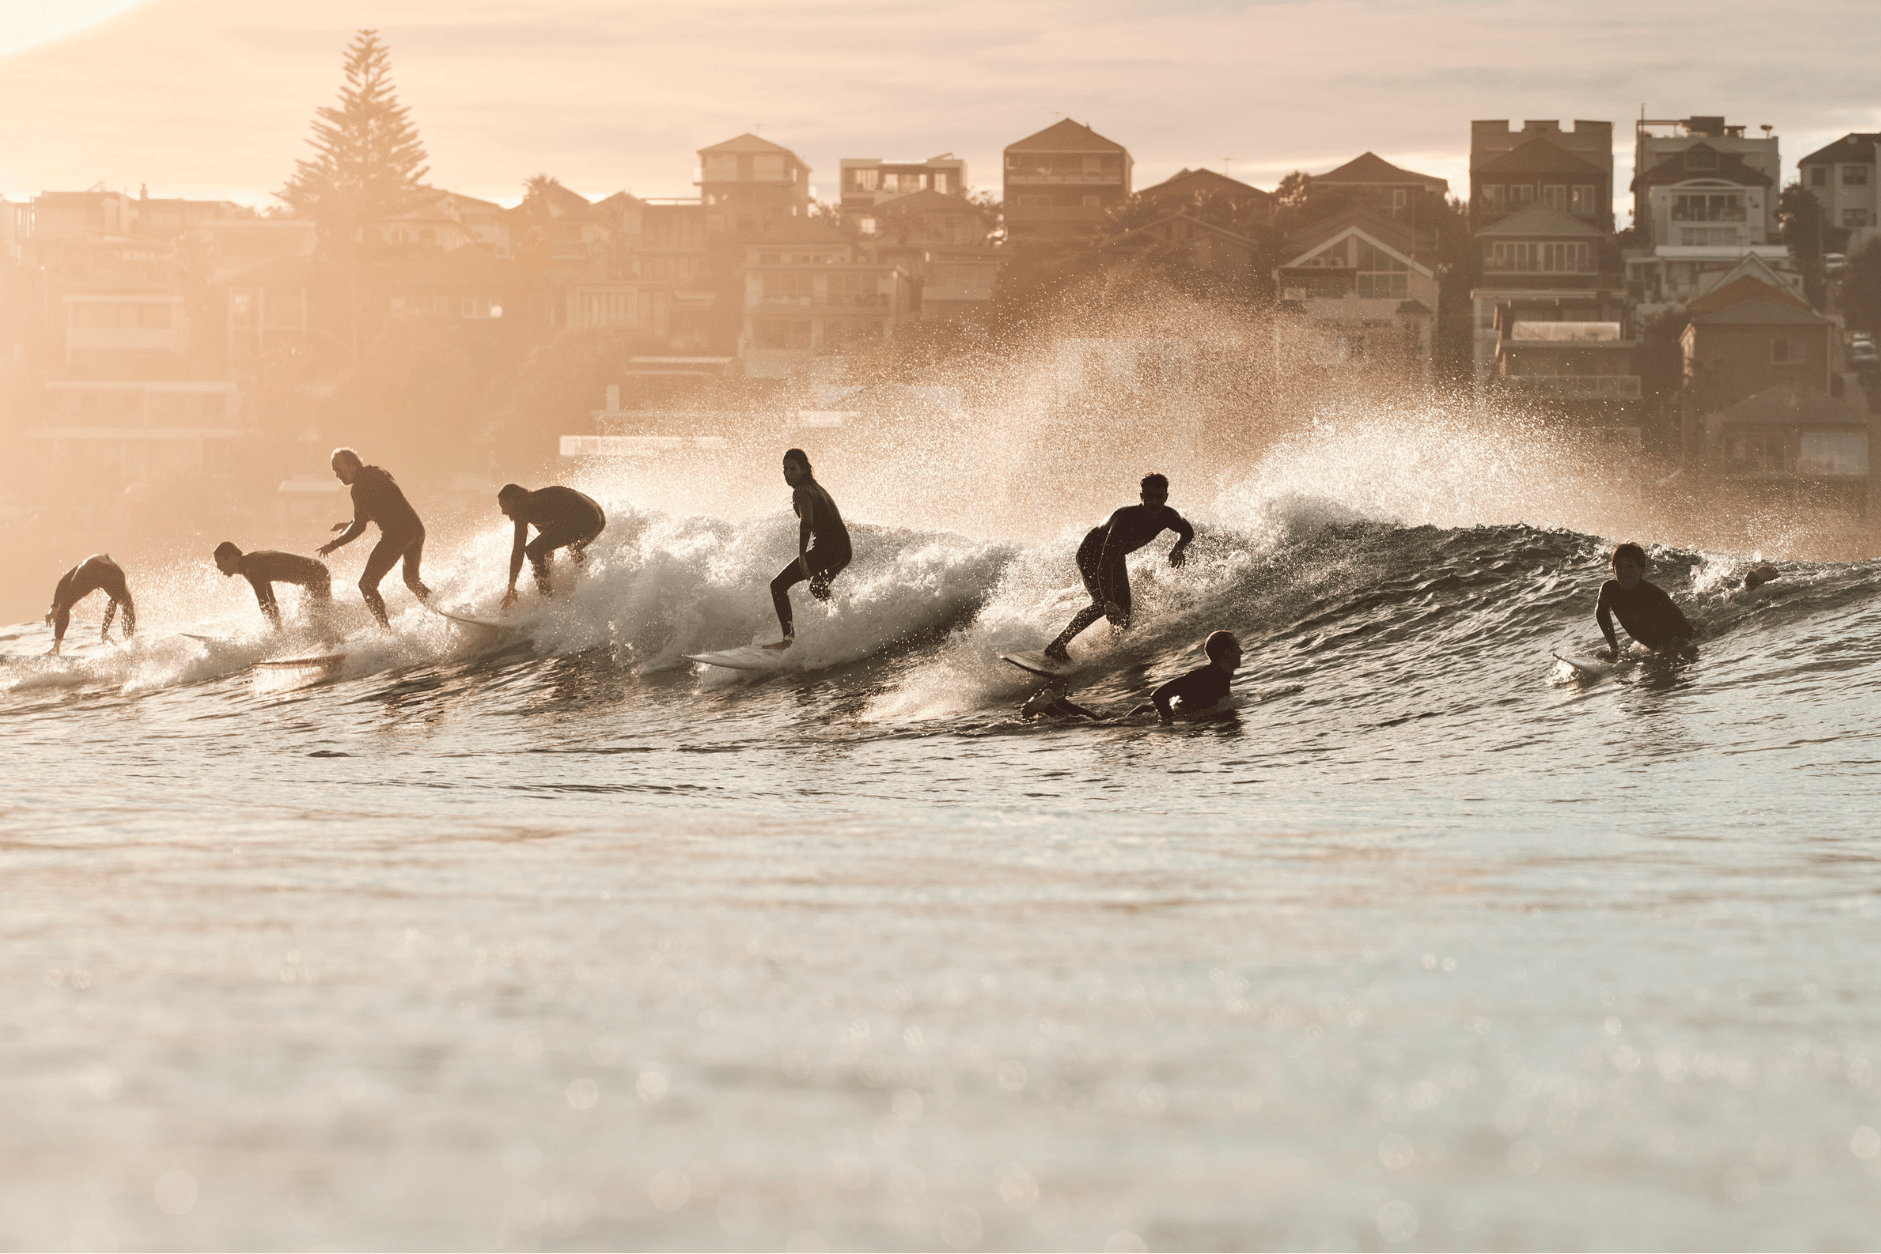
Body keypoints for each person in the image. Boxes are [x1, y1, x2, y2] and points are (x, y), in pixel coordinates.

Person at [1043, 473, 1195, 663]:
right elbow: (1104, 565)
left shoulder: (1168, 516)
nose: (1153, 502)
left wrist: (1178, 547)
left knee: (1124, 610)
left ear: (1166, 497)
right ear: (1141, 497)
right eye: (1148, 497)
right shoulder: (1125, 520)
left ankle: (1112, 648)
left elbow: (1188, 531)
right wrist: (1108, 601)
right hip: (1091, 553)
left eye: (1159, 496)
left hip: (1115, 556)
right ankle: (1056, 646)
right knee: (1101, 605)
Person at [316, 447, 431, 630]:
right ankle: (437, 607)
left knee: (366, 585)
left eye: (339, 469)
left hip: (397, 535)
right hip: (416, 530)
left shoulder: (358, 488)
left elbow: (360, 527)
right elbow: (383, 505)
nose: (337, 475)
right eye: (334, 471)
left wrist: (334, 544)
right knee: (412, 581)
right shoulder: (379, 472)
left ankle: (386, 631)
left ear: (352, 465)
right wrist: (351, 522)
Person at [765, 448, 851, 650]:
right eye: (784, 469)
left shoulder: (802, 491)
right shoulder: (817, 488)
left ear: (804, 470)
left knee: (777, 586)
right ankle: (841, 623)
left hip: (828, 550)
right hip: (844, 550)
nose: (787, 473)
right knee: (817, 587)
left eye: (792, 469)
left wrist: (803, 557)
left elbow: (807, 522)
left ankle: (788, 640)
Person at [496, 483, 607, 609]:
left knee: (533, 550)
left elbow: (518, 548)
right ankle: (587, 582)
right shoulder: (538, 503)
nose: (503, 512)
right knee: (573, 548)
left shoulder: (522, 506)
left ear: (512, 499)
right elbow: (547, 547)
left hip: (585, 517)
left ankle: (547, 603)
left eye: (503, 505)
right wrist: (546, 573)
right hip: (598, 518)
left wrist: (511, 585)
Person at [1595, 542, 1695, 660]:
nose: (1624, 572)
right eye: (1619, 567)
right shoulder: (1609, 590)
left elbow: (1685, 629)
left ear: (1641, 570)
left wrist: (1675, 650)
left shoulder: (1654, 595)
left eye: (1630, 567)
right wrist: (1613, 647)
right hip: (1650, 646)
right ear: (1613, 569)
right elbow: (1601, 613)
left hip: (1669, 643)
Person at [1126, 630, 1242, 722]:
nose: (1241, 652)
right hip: (1137, 719)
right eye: (1237, 647)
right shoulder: (1203, 678)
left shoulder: (1221, 676)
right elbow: (1158, 695)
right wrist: (1169, 723)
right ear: (1226, 653)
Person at [213, 542, 331, 632]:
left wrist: (276, 635)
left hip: (315, 574)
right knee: (309, 617)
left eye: (220, 562)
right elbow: (271, 601)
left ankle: (333, 642)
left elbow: (264, 603)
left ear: (233, 557)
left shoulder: (250, 568)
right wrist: (278, 630)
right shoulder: (250, 563)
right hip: (317, 571)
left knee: (316, 620)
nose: (218, 567)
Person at [46, 554, 134, 655]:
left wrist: (54, 606)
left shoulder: (92, 561)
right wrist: (104, 631)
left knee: (65, 605)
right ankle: (130, 642)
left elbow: (63, 581)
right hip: (95, 571)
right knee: (128, 605)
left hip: (88, 569)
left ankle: (56, 647)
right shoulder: (118, 575)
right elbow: (112, 604)